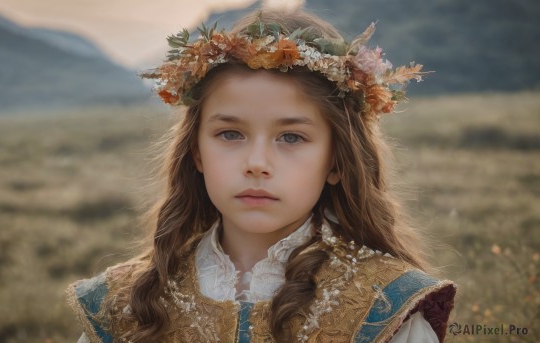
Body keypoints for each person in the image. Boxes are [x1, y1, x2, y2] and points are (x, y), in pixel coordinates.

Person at [67, 8, 456, 343]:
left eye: (291, 137)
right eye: (230, 134)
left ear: (336, 161)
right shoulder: (124, 302)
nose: (256, 162)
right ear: (196, 152)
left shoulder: (385, 303)